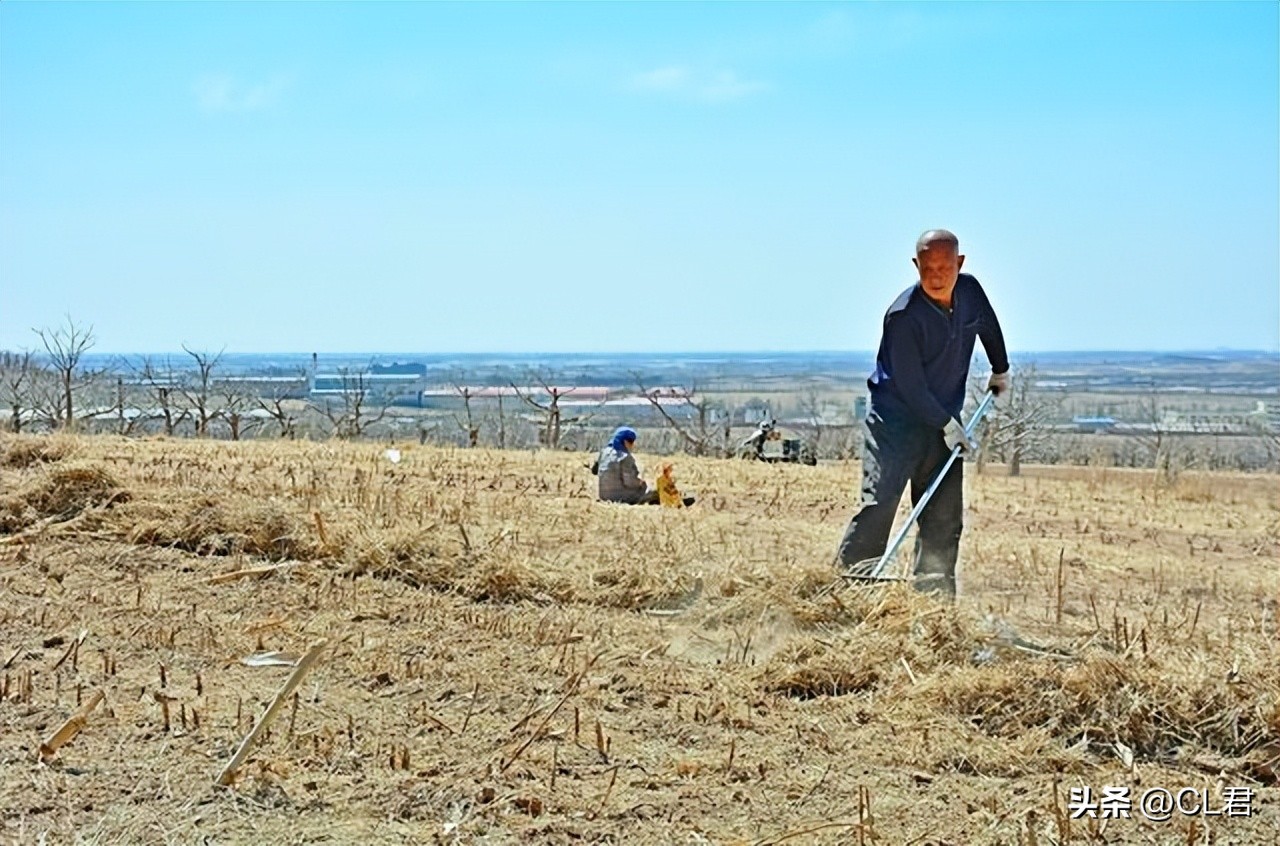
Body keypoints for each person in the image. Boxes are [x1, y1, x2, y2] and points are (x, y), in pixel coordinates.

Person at [835, 229, 1010, 598]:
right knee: (878, 506)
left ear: (959, 265)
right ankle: (847, 592)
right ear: (916, 265)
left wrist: (1000, 368)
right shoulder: (903, 316)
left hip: (943, 423)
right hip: (893, 425)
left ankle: (933, 604)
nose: (935, 275)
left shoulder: (970, 292)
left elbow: (988, 325)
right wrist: (948, 425)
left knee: (944, 518)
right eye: (927, 267)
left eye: (944, 267)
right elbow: (912, 387)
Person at [593, 426, 694, 506]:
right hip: (621, 496)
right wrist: (641, 483)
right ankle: (679, 500)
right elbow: (630, 483)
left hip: (604, 496)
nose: (632, 445)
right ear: (624, 441)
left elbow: (596, 470)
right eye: (631, 441)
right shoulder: (624, 457)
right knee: (657, 492)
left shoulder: (604, 452)